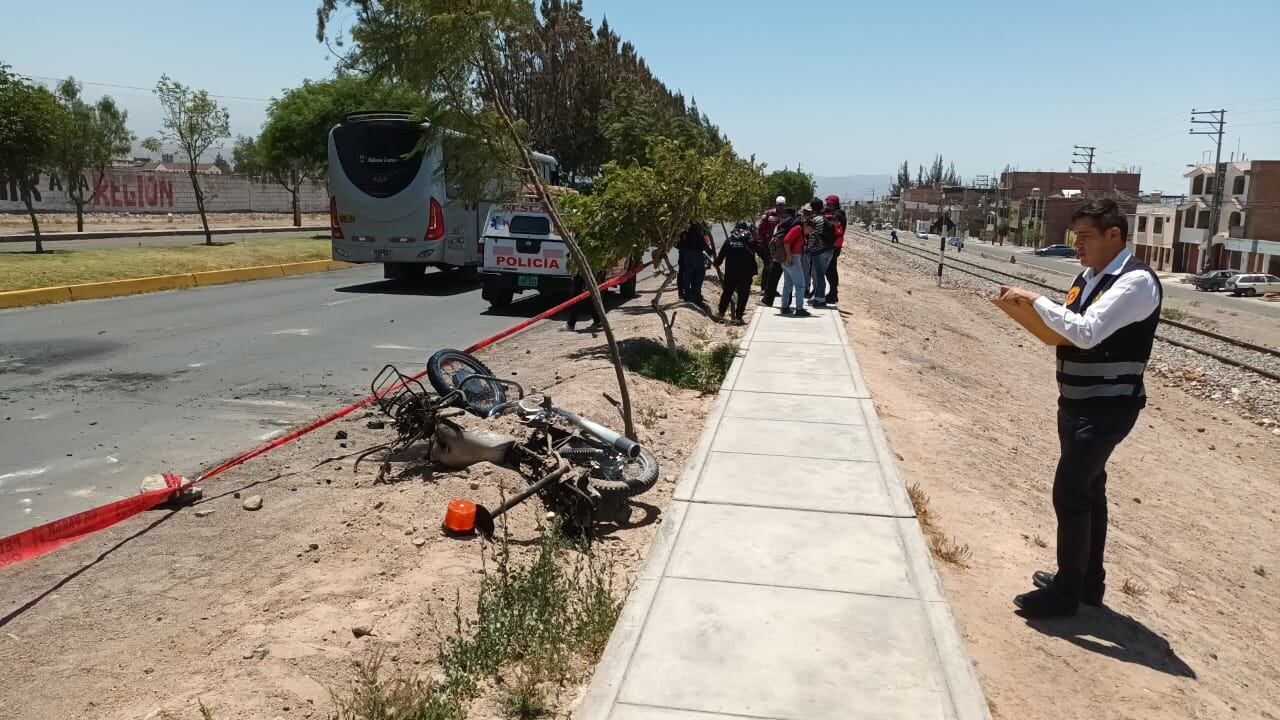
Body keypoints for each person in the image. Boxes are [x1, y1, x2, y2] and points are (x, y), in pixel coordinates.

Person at [999, 199, 1162, 618]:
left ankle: (1067, 591)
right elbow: (1068, 325)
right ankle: (1089, 581)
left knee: (1070, 491)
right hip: (1076, 401)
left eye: (1086, 236)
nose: (1078, 246)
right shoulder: (1090, 277)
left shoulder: (1134, 282)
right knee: (1090, 490)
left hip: (1107, 407)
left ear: (1115, 236)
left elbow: (1086, 332)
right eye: (1076, 237)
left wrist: (1036, 301)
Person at [715, 220, 759, 324]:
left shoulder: (729, 241)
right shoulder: (751, 241)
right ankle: (738, 317)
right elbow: (761, 251)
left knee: (727, 293)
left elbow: (721, 257)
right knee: (743, 295)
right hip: (746, 274)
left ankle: (721, 313)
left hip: (731, 273)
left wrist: (717, 263)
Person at [761, 207, 797, 306]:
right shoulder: (796, 224)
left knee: (773, 278)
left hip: (779, 255)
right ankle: (787, 303)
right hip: (791, 255)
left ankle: (768, 300)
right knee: (789, 280)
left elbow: (774, 238)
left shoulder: (781, 224)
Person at [804, 198, 836, 308]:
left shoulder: (816, 220)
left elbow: (813, 236)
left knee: (819, 275)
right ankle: (817, 297)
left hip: (819, 251)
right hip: (830, 250)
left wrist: (809, 248)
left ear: (813, 208)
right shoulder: (826, 218)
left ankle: (821, 299)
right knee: (821, 274)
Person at [779, 214, 811, 317]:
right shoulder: (797, 228)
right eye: (810, 230)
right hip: (792, 259)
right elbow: (786, 241)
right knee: (801, 285)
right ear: (806, 225)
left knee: (788, 284)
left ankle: (784, 307)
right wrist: (789, 256)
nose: (809, 232)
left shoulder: (800, 231)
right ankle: (799, 308)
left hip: (790, 259)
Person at [677, 221, 714, 303]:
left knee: (688, 273)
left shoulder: (684, 231)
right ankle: (696, 294)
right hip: (696, 253)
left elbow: (678, 244)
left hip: (686, 254)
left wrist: (684, 249)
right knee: (700, 272)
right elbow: (703, 243)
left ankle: (687, 294)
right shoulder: (696, 230)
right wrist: (710, 251)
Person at [757, 196, 785, 297]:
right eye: (779, 205)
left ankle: (772, 289)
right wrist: (761, 243)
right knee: (767, 266)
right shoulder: (768, 214)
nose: (781, 207)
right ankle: (764, 288)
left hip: (779, 247)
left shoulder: (785, 216)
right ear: (776, 204)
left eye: (783, 205)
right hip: (767, 245)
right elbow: (760, 229)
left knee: (775, 269)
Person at [821, 195, 847, 304]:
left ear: (835, 205)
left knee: (830, 270)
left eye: (830, 204)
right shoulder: (839, 214)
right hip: (835, 245)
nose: (827, 206)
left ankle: (833, 293)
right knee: (831, 269)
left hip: (833, 246)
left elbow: (830, 227)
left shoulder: (837, 216)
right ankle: (833, 293)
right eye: (827, 204)